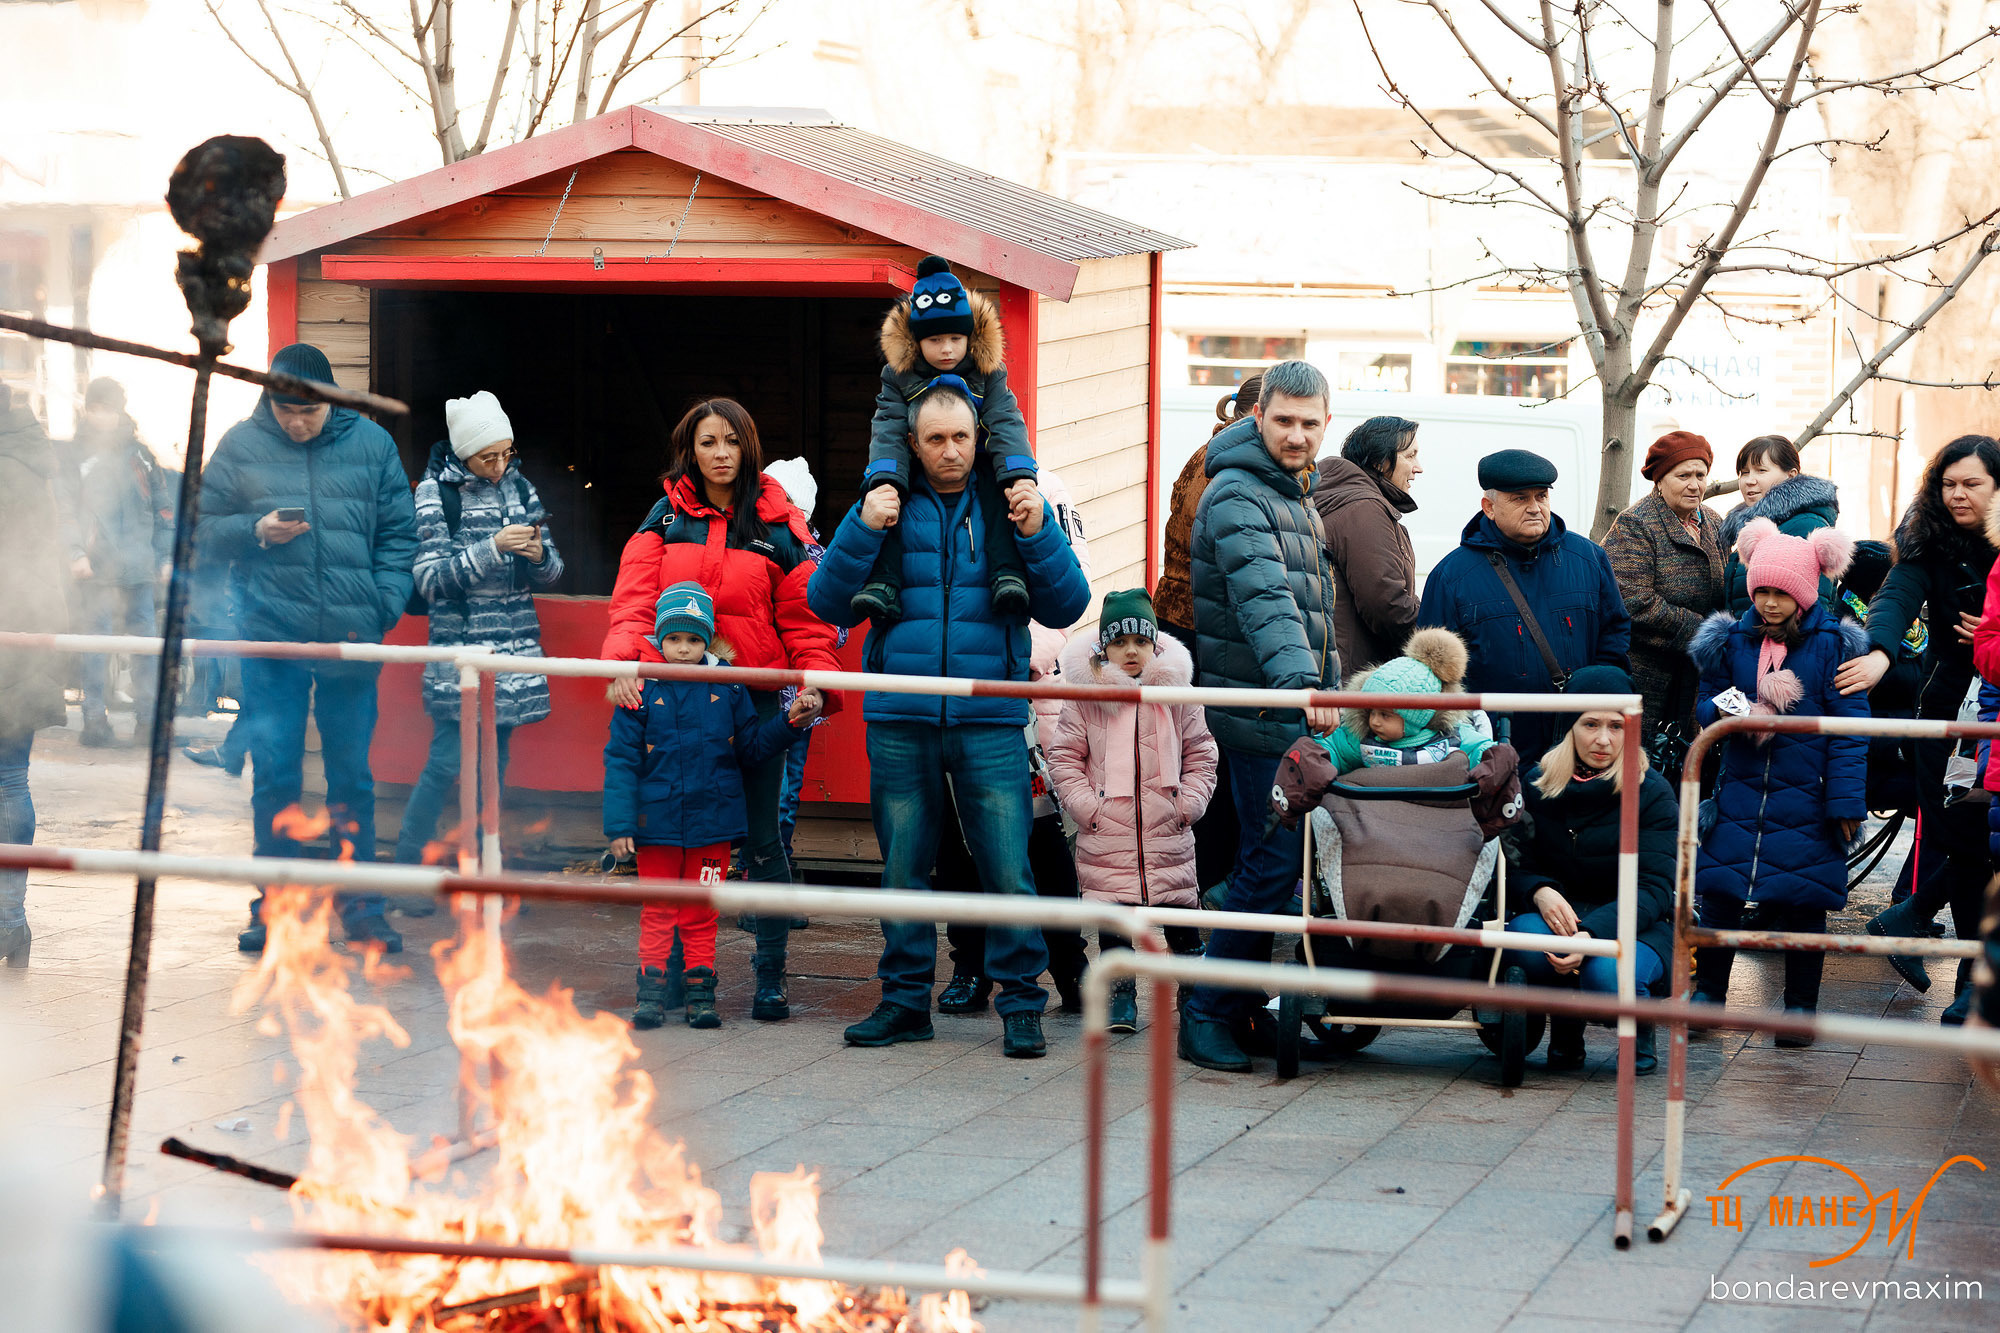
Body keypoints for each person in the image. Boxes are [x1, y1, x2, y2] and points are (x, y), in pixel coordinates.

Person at [807, 381, 1091, 1060]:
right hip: (900, 716)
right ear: (912, 443)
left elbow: (1068, 604)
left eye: (961, 436)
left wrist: (1037, 530)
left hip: (989, 716)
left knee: (1008, 869)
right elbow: (826, 601)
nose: (950, 450)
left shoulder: (1009, 502)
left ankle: (1022, 1005)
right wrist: (862, 524)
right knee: (904, 870)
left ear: (979, 437)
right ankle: (904, 1002)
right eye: (935, 439)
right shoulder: (887, 505)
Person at [601, 398, 838, 1022]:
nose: (721, 453)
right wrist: (625, 663)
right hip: (668, 701)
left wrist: (815, 682)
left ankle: (770, 978)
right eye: (708, 442)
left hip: (750, 701)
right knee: (674, 840)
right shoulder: (662, 518)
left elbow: (808, 617)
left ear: (748, 446)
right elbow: (632, 603)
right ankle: (674, 977)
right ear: (691, 449)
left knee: (762, 842)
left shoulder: (780, 523)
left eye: (731, 441)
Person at [196, 343, 418, 955]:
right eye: (286, 411)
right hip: (270, 637)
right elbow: (198, 529)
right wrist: (253, 531)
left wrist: (383, 604)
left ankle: (363, 908)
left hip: (353, 635)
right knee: (275, 775)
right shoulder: (241, 444)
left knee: (352, 778)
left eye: (309, 414)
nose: (297, 423)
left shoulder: (372, 444)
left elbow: (401, 536)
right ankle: (275, 907)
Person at [1179, 360, 1341, 1074]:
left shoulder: (1289, 492)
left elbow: (1311, 609)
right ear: (1257, 418)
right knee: (1268, 867)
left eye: (1310, 423)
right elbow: (1268, 600)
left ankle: (1237, 1006)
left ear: (1326, 423)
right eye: (1284, 421)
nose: (1297, 434)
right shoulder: (1240, 494)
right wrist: (1304, 685)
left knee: (1269, 866)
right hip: (1260, 715)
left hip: (1286, 714)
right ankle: (1207, 1009)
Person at [1689, 519, 1868, 1041]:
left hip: (1808, 797)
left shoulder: (1834, 644)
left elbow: (1852, 731)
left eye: (1781, 593)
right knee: (1720, 891)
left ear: (1805, 592)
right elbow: (1705, 702)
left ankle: (1799, 1006)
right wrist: (1744, 707)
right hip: (1739, 790)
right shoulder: (1730, 641)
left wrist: (1844, 804)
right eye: (1761, 590)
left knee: (1803, 901)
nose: (1769, 603)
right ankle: (1708, 996)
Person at [605, 584, 812, 1030]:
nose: (683, 649)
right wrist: (620, 824)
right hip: (657, 826)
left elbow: (753, 748)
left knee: (702, 911)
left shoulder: (728, 686)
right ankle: (651, 994)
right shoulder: (638, 689)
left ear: (708, 640)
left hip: (713, 827)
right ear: (660, 639)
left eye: (694, 640)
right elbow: (621, 760)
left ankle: (702, 995)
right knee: (658, 911)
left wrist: (790, 723)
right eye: (674, 639)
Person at [1847, 436, 2000, 1018]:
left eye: (1972, 483)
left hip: (1997, 701)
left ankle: (1931, 934)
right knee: (1955, 835)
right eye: (1949, 483)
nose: (1957, 495)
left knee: (1979, 842)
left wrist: (1991, 635)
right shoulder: (1926, 540)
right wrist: (1881, 653)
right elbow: (1895, 598)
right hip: (1944, 708)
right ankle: (1968, 980)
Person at [936, 465, 1091, 1015]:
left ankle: (1070, 965)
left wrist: (1022, 657)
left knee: (1041, 840)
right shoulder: (927, 489)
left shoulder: (1044, 487)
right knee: (957, 845)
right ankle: (970, 964)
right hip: (950, 697)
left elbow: (1071, 581)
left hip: (1023, 694)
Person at [393, 392, 564, 867]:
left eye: (507, 453)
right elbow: (428, 580)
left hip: (512, 655)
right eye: (489, 456)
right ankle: (407, 867)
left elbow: (553, 571)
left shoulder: (521, 487)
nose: (500, 464)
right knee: (446, 762)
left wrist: (537, 556)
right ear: (464, 451)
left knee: (496, 765)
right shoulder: (434, 493)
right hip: (461, 653)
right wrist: (491, 547)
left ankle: (487, 871)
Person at [1045, 590, 1217, 1032]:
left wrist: (1189, 803)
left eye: (1140, 642)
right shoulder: (1088, 697)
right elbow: (1064, 757)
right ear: (1104, 648)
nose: (1130, 652)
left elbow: (1202, 752)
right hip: (1108, 829)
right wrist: (1088, 809)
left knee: (1179, 910)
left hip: (1168, 824)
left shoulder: (1177, 694)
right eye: (1119, 643)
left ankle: (1193, 986)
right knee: (1114, 914)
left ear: (1155, 644)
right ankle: (1122, 993)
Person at [1504, 665, 1677, 1074]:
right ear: (1569, 726)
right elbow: (1512, 865)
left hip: (1635, 920)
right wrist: (1539, 891)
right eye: (1591, 724)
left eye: (1617, 726)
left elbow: (1654, 887)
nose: (1603, 739)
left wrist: (1591, 933)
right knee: (1522, 943)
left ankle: (1638, 1022)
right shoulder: (1537, 783)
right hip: (1558, 911)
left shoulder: (1652, 792)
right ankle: (1566, 1029)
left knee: (1605, 973)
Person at [850, 256, 1035, 624]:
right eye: (936, 340)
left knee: (1000, 502)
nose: (947, 349)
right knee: (885, 503)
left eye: (955, 338)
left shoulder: (988, 371)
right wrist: (886, 477)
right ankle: (884, 582)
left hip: (974, 461)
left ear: (969, 337)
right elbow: (887, 425)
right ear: (919, 343)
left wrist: (1018, 473)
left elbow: (1006, 421)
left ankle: (1006, 574)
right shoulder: (899, 374)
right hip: (913, 458)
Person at [1416, 449, 1632, 762]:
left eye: (1541, 496)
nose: (1534, 508)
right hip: (1495, 752)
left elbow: (1614, 638)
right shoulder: (1452, 576)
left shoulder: (1588, 559)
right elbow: (1433, 673)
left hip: (1578, 749)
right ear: (1489, 507)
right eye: (1519, 499)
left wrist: (1597, 708)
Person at [1155, 377, 1257, 901]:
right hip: (1199, 633)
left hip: (1193, 628)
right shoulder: (1222, 467)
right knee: (1208, 761)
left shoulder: (1211, 454)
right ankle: (1205, 885)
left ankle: (1209, 879)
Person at [60, 378, 173, 748]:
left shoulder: (140, 455)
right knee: (95, 646)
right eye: (97, 407)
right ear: (88, 410)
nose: (103, 415)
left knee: (145, 648)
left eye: (109, 407)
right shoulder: (75, 457)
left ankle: (147, 722)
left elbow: (162, 509)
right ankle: (94, 720)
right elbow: (65, 512)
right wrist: (76, 553)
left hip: (139, 569)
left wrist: (165, 555)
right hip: (96, 569)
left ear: (120, 409)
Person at [0, 386, 68, 968]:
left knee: (6, 783)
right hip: (25, 648)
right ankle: (12, 924)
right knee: (11, 779)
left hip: (9, 642)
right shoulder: (33, 463)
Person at [1603, 431, 1726, 748]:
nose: (1694, 484)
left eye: (1701, 475)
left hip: (1698, 677)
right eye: (1683, 475)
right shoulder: (1636, 524)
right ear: (1659, 480)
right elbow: (1632, 602)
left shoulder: (1713, 522)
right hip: (1648, 678)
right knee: (1645, 768)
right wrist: (1706, 631)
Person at [1314, 414, 1422, 672]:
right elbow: (1387, 607)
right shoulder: (1364, 508)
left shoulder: (1353, 500)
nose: (1418, 467)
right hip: (1355, 678)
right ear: (1380, 462)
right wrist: (1441, 622)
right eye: (1410, 455)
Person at [1317, 628, 1492, 773]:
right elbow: (1335, 749)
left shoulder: (1451, 739)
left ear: (1416, 719)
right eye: (1371, 711)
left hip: (1434, 808)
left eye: (1385, 715)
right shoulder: (1362, 740)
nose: (1375, 722)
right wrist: (1316, 758)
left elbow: (1480, 750)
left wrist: (1493, 760)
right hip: (1376, 806)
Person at [1719, 435, 1838, 613]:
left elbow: (1814, 607)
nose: (1749, 480)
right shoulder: (1751, 526)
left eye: (1761, 470)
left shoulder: (1805, 527)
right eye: (1744, 472)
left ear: (1791, 475)